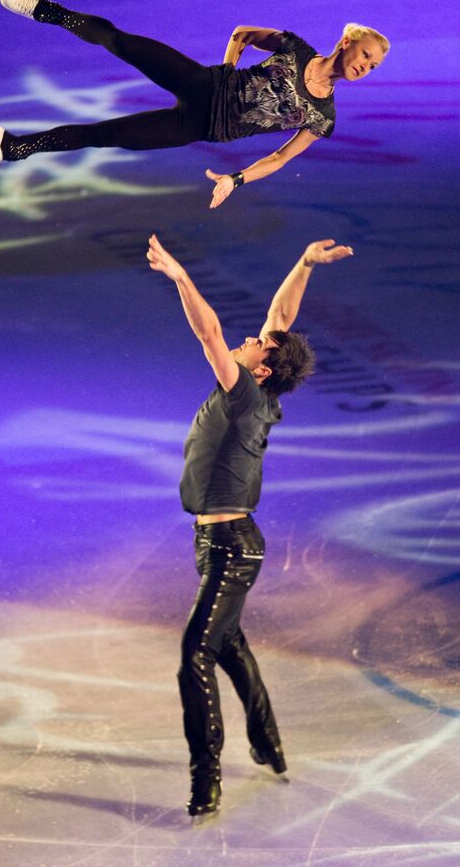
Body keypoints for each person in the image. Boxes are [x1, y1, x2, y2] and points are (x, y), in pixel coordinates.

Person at [145, 233, 353, 816]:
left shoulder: (242, 396)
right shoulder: (257, 392)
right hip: (217, 543)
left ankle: (205, 775)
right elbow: (280, 318)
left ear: (260, 372)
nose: (249, 338)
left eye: (258, 345)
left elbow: (209, 331)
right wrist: (305, 262)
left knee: (196, 654)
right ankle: (270, 743)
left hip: (232, 550)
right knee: (229, 642)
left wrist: (181, 278)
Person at [0, 0, 389, 207]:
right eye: (365, 55)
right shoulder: (294, 48)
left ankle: (9, 146)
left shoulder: (323, 117)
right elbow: (242, 33)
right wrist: (227, 67)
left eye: (372, 67)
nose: (364, 67)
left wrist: (235, 179)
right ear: (347, 41)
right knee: (121, 42)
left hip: (199, 128)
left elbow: (279, 158)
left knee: (102, 136)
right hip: (202, 85)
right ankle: (44, 9)